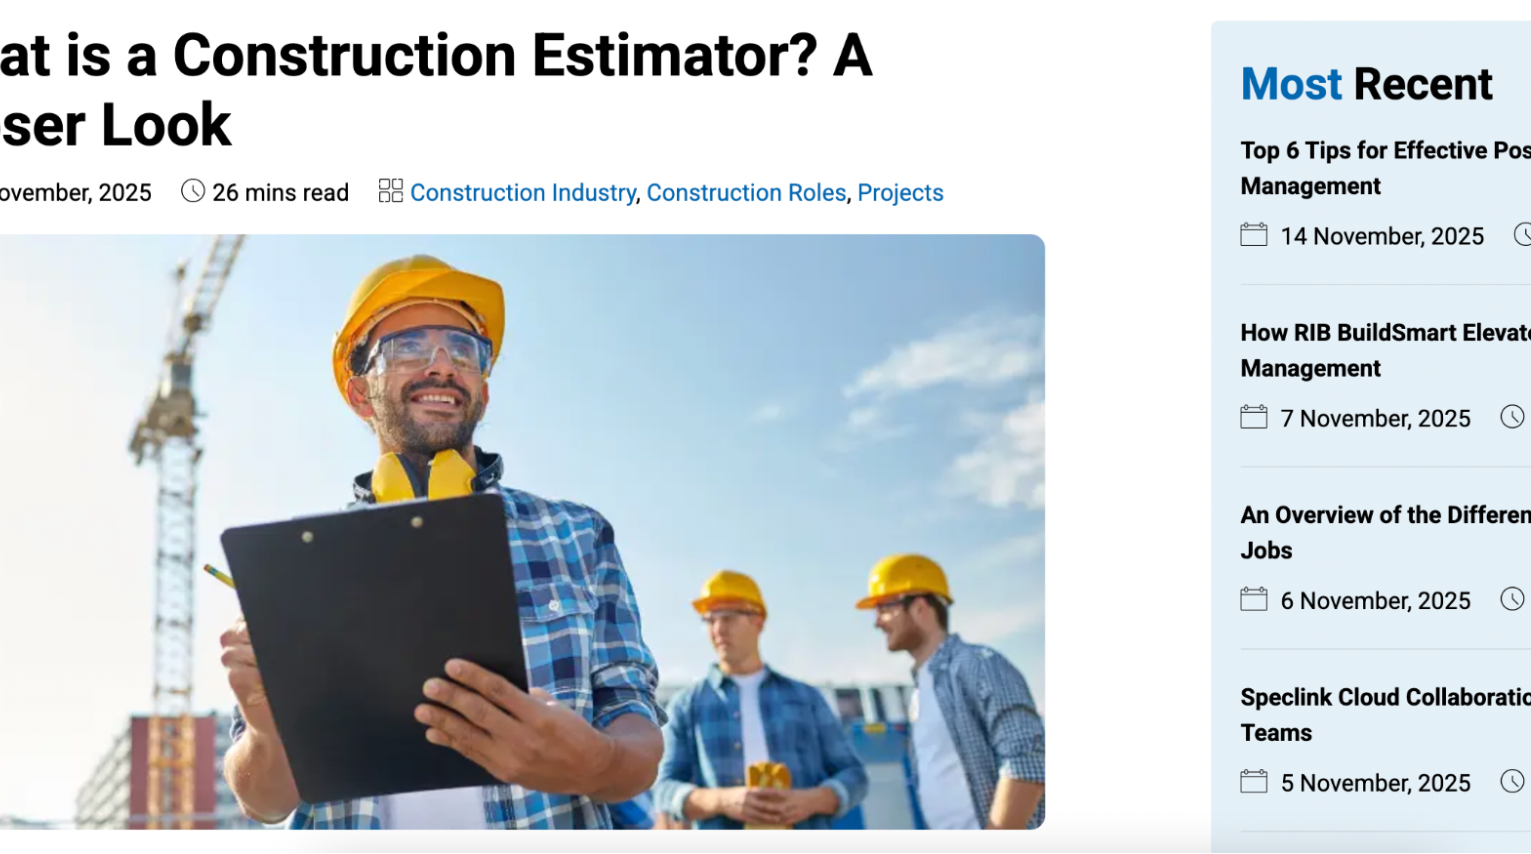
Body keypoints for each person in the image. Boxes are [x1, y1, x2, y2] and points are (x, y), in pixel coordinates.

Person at [217, 255, 666, 829]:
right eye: (408, 347)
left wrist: (597, 762)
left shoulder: (579, 534)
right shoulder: (297, 566)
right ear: (360, 395)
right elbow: (265, 801)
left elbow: (636, 734)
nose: (442, 365)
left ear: (482, 389)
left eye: (464, 350)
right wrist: (261, 720)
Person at [653, 571, 870, 829]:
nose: (718, 629)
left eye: (728, 617)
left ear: (758, 620)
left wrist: (812, 801)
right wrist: (722, 801)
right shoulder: (686, 705)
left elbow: (854, 775)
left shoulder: (806, 699)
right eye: (709, 620)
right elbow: (664, 789)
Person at [857, 554, 1045, 830]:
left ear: (920, 607)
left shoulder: (978, 664)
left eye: (884, 607)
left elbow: (1027, 757)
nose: (878, 622)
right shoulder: (920, 693)